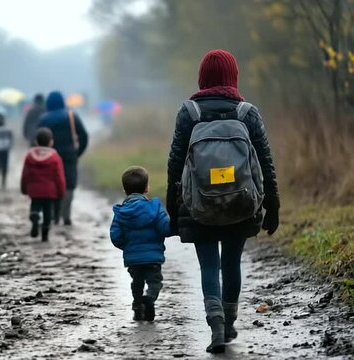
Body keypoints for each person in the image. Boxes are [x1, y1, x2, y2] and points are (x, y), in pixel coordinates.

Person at [166, 49, 280, 353]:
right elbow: (265, 164)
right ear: (234, 77)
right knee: (231, 263)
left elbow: (175, 164)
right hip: (240, 203)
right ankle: (229, 323)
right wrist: (273, 206)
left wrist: (172, 208)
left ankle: (215, 324)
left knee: (208, 266)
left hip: (199, 205)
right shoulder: (247, 113)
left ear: (202, 78)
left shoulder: (189, 112)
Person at [110, 166, 170, 322]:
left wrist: (127, 246)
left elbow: (115, 236)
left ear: (125, 190)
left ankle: (137, 306)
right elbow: (165, 229)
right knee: (154, 282)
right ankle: (149, 298)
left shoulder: (122, 212)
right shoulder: (155, 208)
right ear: (147, 188)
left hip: (133, 258)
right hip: (153, 257)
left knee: (137, 282)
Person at [38, 91, 89, 226]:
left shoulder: (44, 119)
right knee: (69, 185)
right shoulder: (71, 116)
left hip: (49, 157)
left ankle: (54, 214)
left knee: (52, 184)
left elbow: (37, 139)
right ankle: (66, 215)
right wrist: (77, 152)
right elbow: (83, 136)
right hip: (69, 156)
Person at [20, 128, 66, 242]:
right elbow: (59, 176)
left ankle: (34, 217)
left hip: (34, 190)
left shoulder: (30, 156)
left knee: (35, 205)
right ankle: (45, 234)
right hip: (50, 191)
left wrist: (24, 188)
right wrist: (61, 191)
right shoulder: (55, 157)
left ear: (36, 141)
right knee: (47, 213)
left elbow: (25, 174)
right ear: (51, 142)